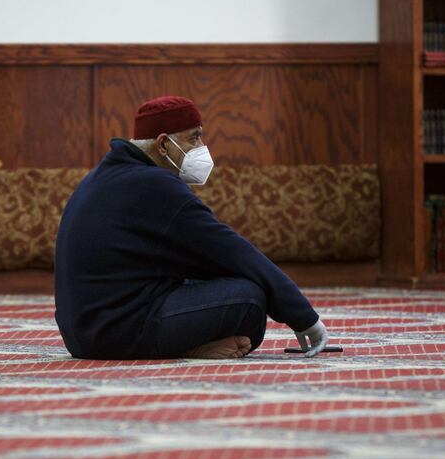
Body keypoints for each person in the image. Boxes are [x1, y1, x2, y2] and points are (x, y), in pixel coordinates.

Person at [54, 95, 330, 359]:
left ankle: (187, 346)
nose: (201, 147)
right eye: (193, 137)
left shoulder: (104, 176)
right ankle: (180, 347)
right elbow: (230, 251)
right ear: (163, 145)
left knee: (212, 277)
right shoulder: (154, 185)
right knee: (250, 299)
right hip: (116, 332)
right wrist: (304, 318)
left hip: (83, 333)